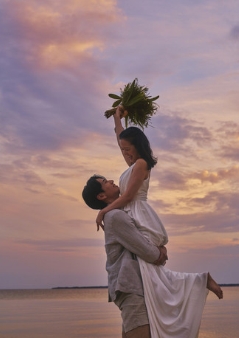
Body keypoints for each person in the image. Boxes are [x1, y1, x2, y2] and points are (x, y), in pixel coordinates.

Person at [93, 106, 223, 337]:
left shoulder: (141, 164)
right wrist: (117, 120)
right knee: (151, 272)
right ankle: (199, 280)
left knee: (149, 265)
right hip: (130, 214)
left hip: (139, 215)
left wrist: (104, 211)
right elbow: (119, 139)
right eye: (122, 149)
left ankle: (198, 282)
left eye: (127, 149)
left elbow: (128, 196)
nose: (124, 153)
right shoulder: (132, 164)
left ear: (136, 147)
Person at [82, 174, 168, 338]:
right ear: (101, 196)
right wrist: (161, 251)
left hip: (130, 286)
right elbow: (149, 253)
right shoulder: (116, 217)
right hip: (131, 287)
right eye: (106, 182)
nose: (112, 181)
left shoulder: (119, 213)